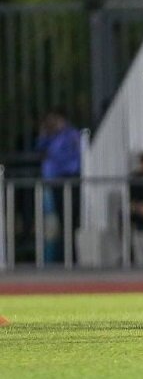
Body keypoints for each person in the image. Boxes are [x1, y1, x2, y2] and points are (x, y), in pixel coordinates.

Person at [35, 107, 81, 264]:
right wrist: (43, 134)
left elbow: (69, 158)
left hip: (66, 180)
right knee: (52, 223)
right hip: (52, 182)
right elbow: (40, 149)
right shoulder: (50, 137)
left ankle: (68, 257)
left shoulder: (71, 135)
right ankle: (53, 258)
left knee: (67, 220)